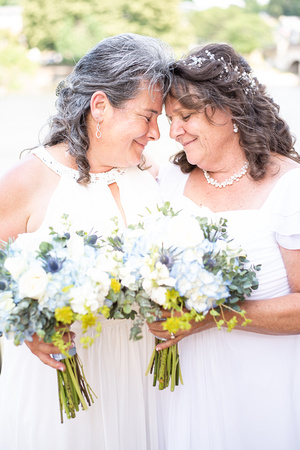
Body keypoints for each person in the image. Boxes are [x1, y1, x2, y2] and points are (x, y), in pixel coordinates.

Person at [0, 33, 173, 450]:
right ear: (100, 106)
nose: (156, 133)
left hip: (141, 378)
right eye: (147, 116)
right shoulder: (30, 178)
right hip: (62, 380)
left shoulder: (149, 173)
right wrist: (25, 329)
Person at [148, 43, 300, 450]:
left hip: (261, 385)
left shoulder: (290, 187)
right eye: (168, 119)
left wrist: (214, 315)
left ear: (229, 110)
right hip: (181, 385)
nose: (173, 131)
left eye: (185, 116)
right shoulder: (168, 181)